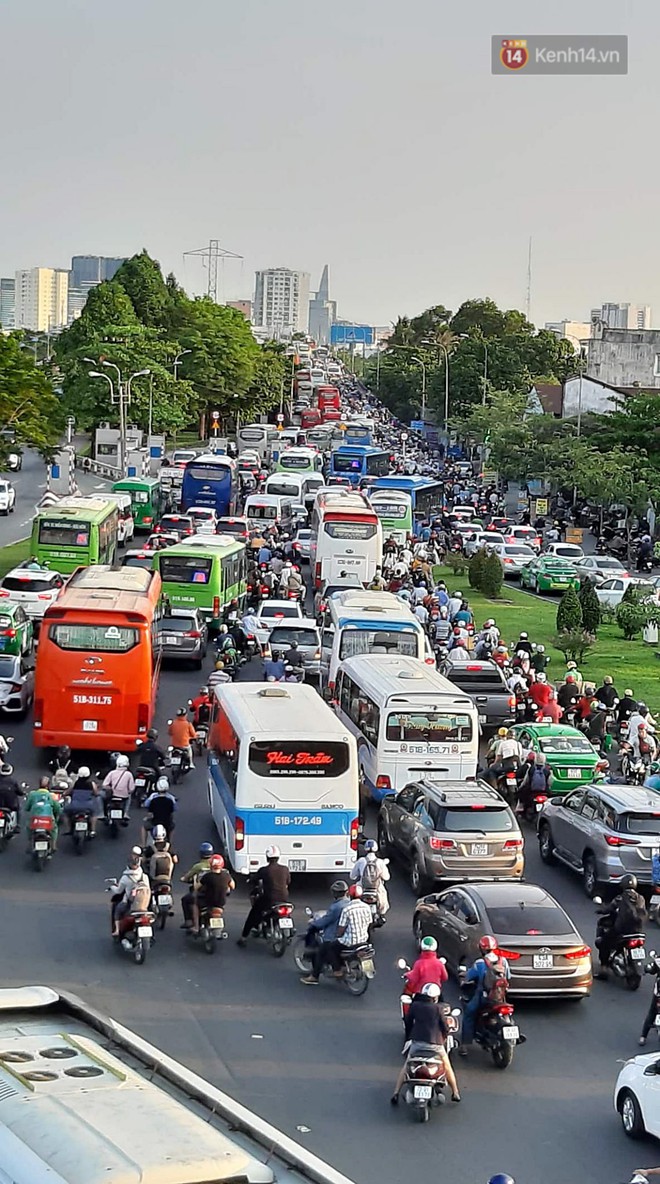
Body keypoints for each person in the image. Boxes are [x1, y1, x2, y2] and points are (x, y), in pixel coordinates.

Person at [391, 982, 461, 1104]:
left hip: (417, 1043)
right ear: (435, 997)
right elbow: (444, 1026)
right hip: (436, 1045)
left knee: (407, 1065)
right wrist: (445, 1035)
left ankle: (396, 1092)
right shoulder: (438, 1008)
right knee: (447, 1065)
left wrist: (409, 1037)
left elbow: (408, 1022)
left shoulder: (415, 1006)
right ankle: (455, 1092)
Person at [459, 935, 511, 1054]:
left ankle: (464, 1046)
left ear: (481, 949)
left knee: (469, 1013)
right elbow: (508, 977)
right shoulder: (503, 961)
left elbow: (469, 977)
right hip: (500, 998)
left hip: (483, 997)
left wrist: (463, 975)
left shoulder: (480, 963)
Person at [596, 873, 647, 978]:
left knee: (604, 943)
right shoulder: (641, 898)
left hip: (622, 930)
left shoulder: (620, 897)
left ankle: (604, 969)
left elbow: (610, 908)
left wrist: (600, 910)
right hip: (638, 931)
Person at [238, 846, 291, 945]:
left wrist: (249, 879)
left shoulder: (264, 870)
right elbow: (288, 882)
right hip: (284, 898)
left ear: (267, 857)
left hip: (269, 899)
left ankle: (243, 937)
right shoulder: (285, 869)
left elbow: (254, 879)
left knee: (253, 913)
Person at [300, 880, 350, 985]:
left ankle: (314, 977)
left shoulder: (336, 907)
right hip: (349, 935)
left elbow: (326, 920)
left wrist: (314, 924)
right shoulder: (349, 903)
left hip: (335, 935)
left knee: (320, 952)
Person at [112, 849, 152, 938]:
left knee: (117, 910)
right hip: (144, 904)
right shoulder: (144, 876)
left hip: (130, 903)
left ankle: (117, 930)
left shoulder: (125, 878)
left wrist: (112, 887)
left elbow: (118, 891)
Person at [192, 854, 235, 934]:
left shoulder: (207, 876)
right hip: (221, 904)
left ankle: (196, 927)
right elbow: (233, 886)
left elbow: (197, 887)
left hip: (208, 903)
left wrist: (195, 881)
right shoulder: (226, 876)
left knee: (195, 905)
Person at [350, 840, 390, 916]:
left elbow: (352, 876)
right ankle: (381, 915)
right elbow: (387, 877)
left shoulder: (361, 861)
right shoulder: (380, 862)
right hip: (377, 889)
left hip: (362, 888)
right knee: (384, 903)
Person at [180, 842, 215, 929]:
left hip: (200, 894)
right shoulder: (215, 866)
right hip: (214, 894)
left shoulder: (198, 867)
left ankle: (189, 921)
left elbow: (187, 877)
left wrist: (183, 879)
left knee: (185, 900)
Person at [24, 783, 62, 851]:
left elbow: (27, 808)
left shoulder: (32, 794)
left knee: (29, 828)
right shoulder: (51, 796)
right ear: (48, 787)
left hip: (35, 820)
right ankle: (53, 845)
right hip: (48, 820)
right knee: (54, 829)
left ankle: (30, 843)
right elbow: (58, 809)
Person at [63, 767, 101, 836]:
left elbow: (68, 792)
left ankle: (69, 829)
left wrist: (64, 794)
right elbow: (96, 793)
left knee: (65, 812)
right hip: (88, 806)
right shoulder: (92, 784)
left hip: (74, 806)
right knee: (94, 814)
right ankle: (92, 830)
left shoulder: (75, 783)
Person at [142, 778, 177, 845]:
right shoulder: (170, 798)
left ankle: (143, 845)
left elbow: (148, 807)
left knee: (144, 827)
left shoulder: (153, 798)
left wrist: (147, 818)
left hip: (154, 822)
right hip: (167, 823)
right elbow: (174, 809)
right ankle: (170, 845)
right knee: (172, 828)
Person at [102, 754, 134, 820]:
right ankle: (125, 813)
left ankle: (103, 814)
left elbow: (104, 785)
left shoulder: (112, 773)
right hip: (124, 797)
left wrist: (110, 789)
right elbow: (131, 789)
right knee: (129, 797)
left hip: (112, 795)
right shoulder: (129, 774)